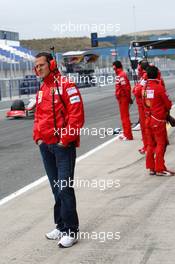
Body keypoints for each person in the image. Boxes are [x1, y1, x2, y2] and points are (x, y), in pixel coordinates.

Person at [33, 52, 84, 247]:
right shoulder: (42, 88)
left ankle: (72, 230)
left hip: (63, 146)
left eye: (41, 65)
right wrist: (37, 137)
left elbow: (76, 114)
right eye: (36, 66)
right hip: (45, 146)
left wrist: (66, 139)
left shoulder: (66, 85)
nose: (38, 68)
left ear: (52, 64)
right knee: (56, 189)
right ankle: (61, 225)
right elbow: (38, 116)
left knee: (64, 188)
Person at [142, 65, 174, 176]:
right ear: (157, 75)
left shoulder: (144, 87)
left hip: (148, 119)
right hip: (158, 120)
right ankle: (160, 168)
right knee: (162, 143)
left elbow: (143, 102)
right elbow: (168, 104)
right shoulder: (158, 87)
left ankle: (152, 168)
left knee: (151, 144)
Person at [113, 60, 133, 140]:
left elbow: (126, 88)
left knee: (125, 117)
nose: (113, 69)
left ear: (116, 67)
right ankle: (126, 133)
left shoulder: (121, 75)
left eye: (113, 67)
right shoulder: (120, 75)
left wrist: (128, 98)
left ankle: (128, 135)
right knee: (123, 117)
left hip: (123, 98)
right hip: (121, 98)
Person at [133, 59, 149, 154]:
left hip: (144, 105)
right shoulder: (144, 76)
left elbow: (138, 91)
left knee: (145, 127)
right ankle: (147, 145)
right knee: (145, 127)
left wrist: (135, 90)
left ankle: (147, 146)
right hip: (143, 104)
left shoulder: (145, 76)